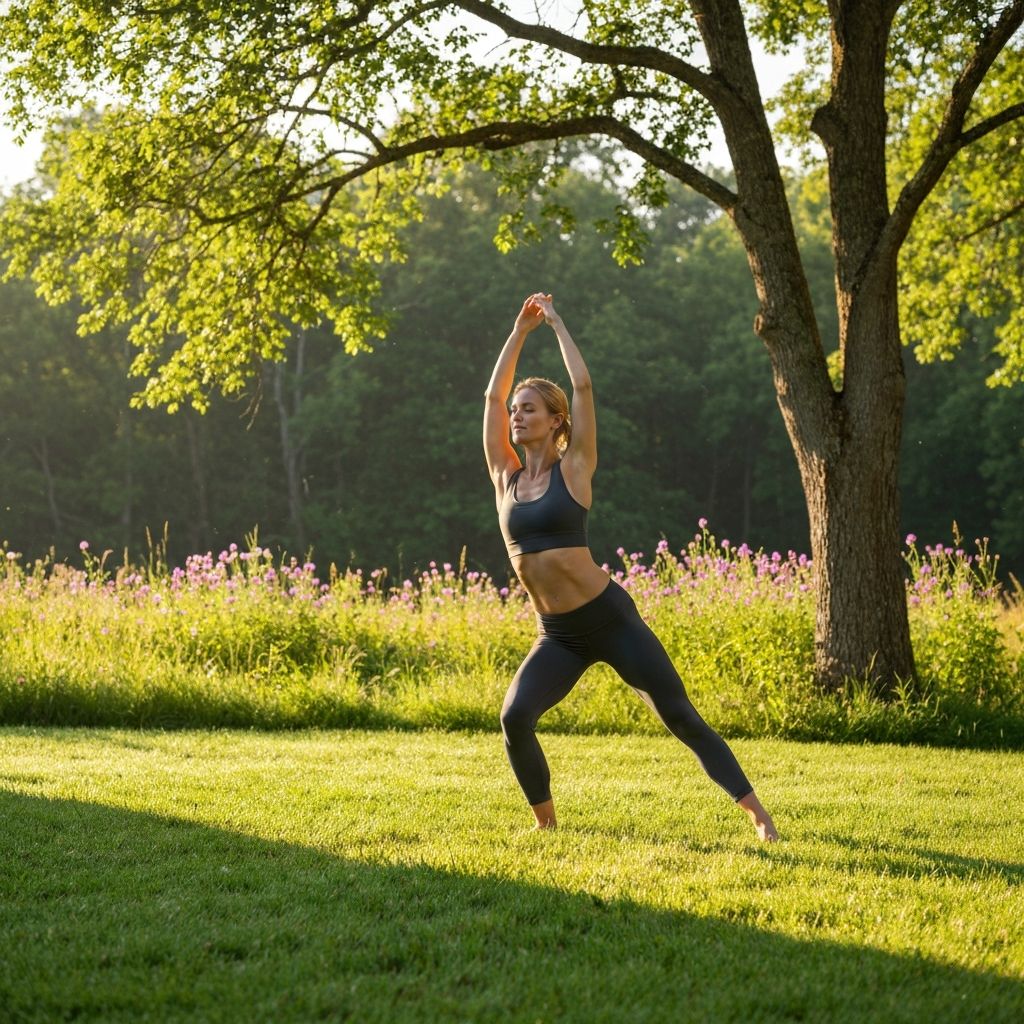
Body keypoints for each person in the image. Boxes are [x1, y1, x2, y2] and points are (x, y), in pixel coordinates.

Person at [483, 292, 779, 841]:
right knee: (514, 717)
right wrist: (519, 332)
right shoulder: (506, 476)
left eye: (529, 409)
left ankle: (759, 816)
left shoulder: (575, 468)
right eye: (515, 411)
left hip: (609, 619)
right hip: (557, 635)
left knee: (679, 716)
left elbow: (583, 387)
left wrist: (557, 322)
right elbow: (492, 395)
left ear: (555, 421)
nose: (516, 416)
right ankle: (547, 825)